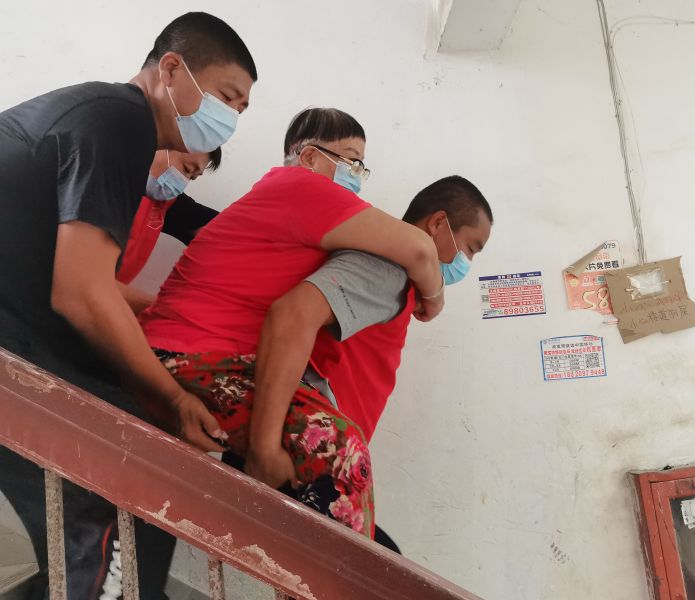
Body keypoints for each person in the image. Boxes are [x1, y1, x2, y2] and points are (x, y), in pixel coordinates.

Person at [0, 12, 256, 598]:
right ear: (172, 69)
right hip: (14, 343)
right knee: (127, 490)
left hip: (22, 334)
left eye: (241, 110)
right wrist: (170, 396)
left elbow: (78, 282)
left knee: (135, 477)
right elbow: (82, 293)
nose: (230, 120)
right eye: (227, 98)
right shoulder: (120, 120)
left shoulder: (102, 117)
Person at [138, 107, 447, 536]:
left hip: (199, 353)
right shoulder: (303, 188)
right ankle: (339, 571)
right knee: (341, 449)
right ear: (309, 157)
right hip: (189, 355)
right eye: (349, 160)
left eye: (361, 166)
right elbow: (419, 248)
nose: (355, 176)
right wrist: (433, 297)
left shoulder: (281, 198)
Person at [117, 148, 222, 314]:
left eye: (191, 177)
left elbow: (222, 228)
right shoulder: (104, 185)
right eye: (187, 168)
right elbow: (87, 283)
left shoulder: (165, 202)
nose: (183, 181)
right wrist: (168, 309)